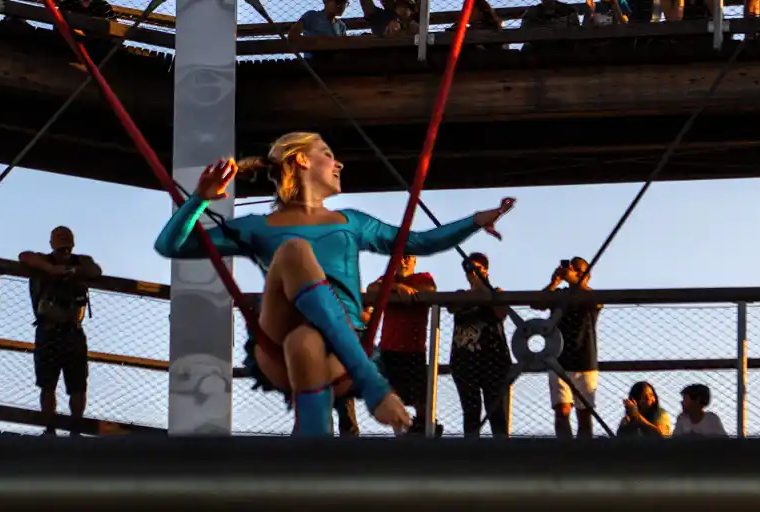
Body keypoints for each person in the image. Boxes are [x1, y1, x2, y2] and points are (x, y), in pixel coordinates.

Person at [154, 132, 514, 436]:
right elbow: (172, 245)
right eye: (327, 154)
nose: (338, 163)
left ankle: (313, 456)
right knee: (294, 252)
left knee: (306, 340)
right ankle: (374, 388)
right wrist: (199, 199)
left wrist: (475, 221)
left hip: (340, 351)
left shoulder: (351, 222)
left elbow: (419, 242)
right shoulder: (258, 227)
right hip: (279, 345)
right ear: (302, 160)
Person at [20, 226, 103, 436]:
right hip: (49, 329)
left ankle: (74, 429)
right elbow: (24, 256)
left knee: (77, 385)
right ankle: (51, 429)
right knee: (48, 384)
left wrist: (73, 272)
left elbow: (95, 270)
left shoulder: (81, 262)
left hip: (72, 330)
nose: (64, 251)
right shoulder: (42, 260)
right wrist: (51, 269)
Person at [368, 255, 437, 435]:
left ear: (414, 261)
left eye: (407, 258)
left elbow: (429, 289)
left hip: (413, 350)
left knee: (421, 399)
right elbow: (371, 289)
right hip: (389, 350)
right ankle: (400, 434)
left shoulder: (422, 278)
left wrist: (400, 288)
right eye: (400, 257)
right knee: (392, 398)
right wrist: (396, 287)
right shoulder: (388, 279)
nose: (403, 261)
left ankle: (425, 430)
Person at [447, 252, 512, 438]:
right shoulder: (461, 295)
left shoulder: (496, 292)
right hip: (464, 361)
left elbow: (501, 313)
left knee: (497, 412)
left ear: (485, 270)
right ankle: (471, 452)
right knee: (471, 413)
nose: (472, 273)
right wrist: (474, 291)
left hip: (493, 360)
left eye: (477, 268)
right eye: (469, 269)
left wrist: (483, 287)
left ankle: (501, 452)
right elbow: (452, 307)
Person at [536, 257, 601, 440]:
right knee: (561, 412)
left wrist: (572, 279)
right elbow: (537, 303)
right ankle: (565, 451)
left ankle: (583, 453)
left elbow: (597, 301)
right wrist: (554, 282)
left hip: (585, 360)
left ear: (587, 275)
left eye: (578, 270)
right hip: (559, 359)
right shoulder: (559, 295)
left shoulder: (590, 295)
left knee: (584, 415)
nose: (573, 272)